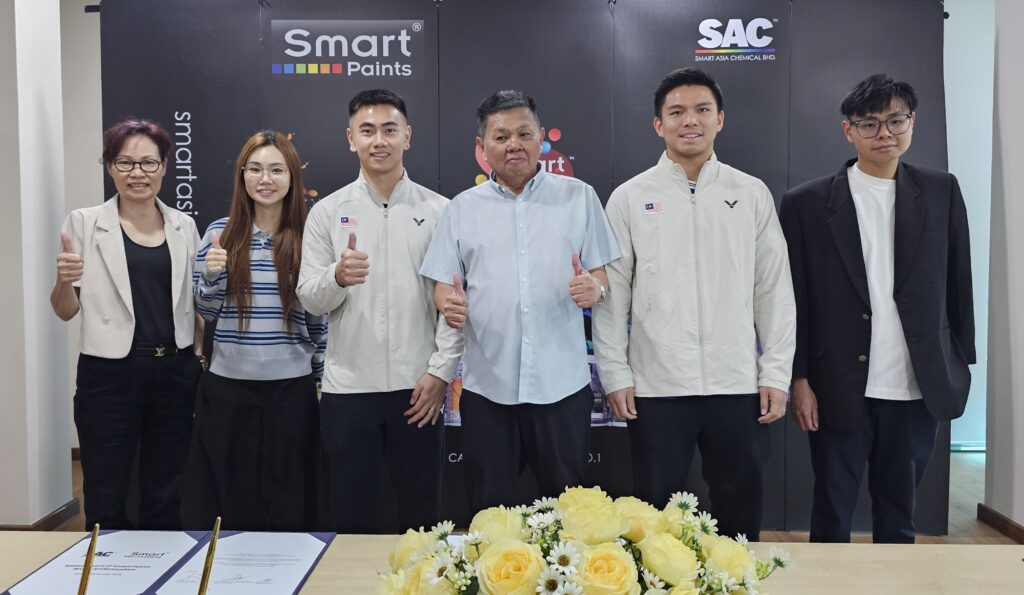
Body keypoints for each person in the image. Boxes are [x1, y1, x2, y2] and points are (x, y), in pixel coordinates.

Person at [592, 68, 795, 540]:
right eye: (677, 112)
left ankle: (739, 577)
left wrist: (775, 373)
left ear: (720, 119)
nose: (690, 121)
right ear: (658, 124)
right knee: (653, 517)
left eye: (702, 110)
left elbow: (773, 290)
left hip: (737, 384)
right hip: (657, 387)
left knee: (739, 512)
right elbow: (612, 295)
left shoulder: (750, 193)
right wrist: (616, 375)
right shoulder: (629, 198)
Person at [779, 74, 975, 543]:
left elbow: (959, 280)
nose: (884, 133)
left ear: (913, 122)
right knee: (832, 511)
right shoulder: (806, 203)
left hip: (916, 382)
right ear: (848, 130)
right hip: (836, 383)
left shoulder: (941, 191)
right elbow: (793, 299)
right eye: (869, 124)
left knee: (899, 515)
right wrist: (798, 377)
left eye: (895, 121)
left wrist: (959, 360)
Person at [420, 90, 621, 511]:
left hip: (561, 385)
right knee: (490, 513)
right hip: (488, 388)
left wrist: (595, 289)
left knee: (568, 513)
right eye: (501, 136)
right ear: (482, 147)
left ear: (541, 137)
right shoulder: (461, 209)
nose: (514, 144)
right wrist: (447, 303)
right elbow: (443, 283)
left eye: (524, 133)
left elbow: (601, 274)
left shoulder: (579, 197)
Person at [297, 89, 462, 533]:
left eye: (390, 130)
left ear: (407, 136)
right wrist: (337, 276)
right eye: (367, 130)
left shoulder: (440, 211)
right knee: (351, 518)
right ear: (351, 138)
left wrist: (440, 373)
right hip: (348, 390)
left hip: (418, 388)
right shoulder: (327, 212)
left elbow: (454, 305)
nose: (379, 140)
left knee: (422, 520)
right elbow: (310, 297)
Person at [51, 117, 202, 530]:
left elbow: (194, 302)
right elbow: (65, 310)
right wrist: (63, 280)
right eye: (125, 163)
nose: (138, 173)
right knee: (105, 487)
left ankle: (162, 564)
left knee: (166, 488)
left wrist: (197, 353)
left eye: (149, 163)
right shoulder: (83, 223)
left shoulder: (184, 225)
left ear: (164, 167)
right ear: (110, 167)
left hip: (173, 371)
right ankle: (105, 565)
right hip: (109, 373)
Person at [185, 130, 325, 531]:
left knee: (289, 497)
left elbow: (318, 321)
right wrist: (213, 274)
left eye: (277, 170)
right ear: (242, 176)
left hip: (291, 389)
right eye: (256, 169)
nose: (266, 179)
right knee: (234, 495)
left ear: (292, 177)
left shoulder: (309, 237)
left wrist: (320, 380)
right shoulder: (220, 233)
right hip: (229, 388)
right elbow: (206, 311)